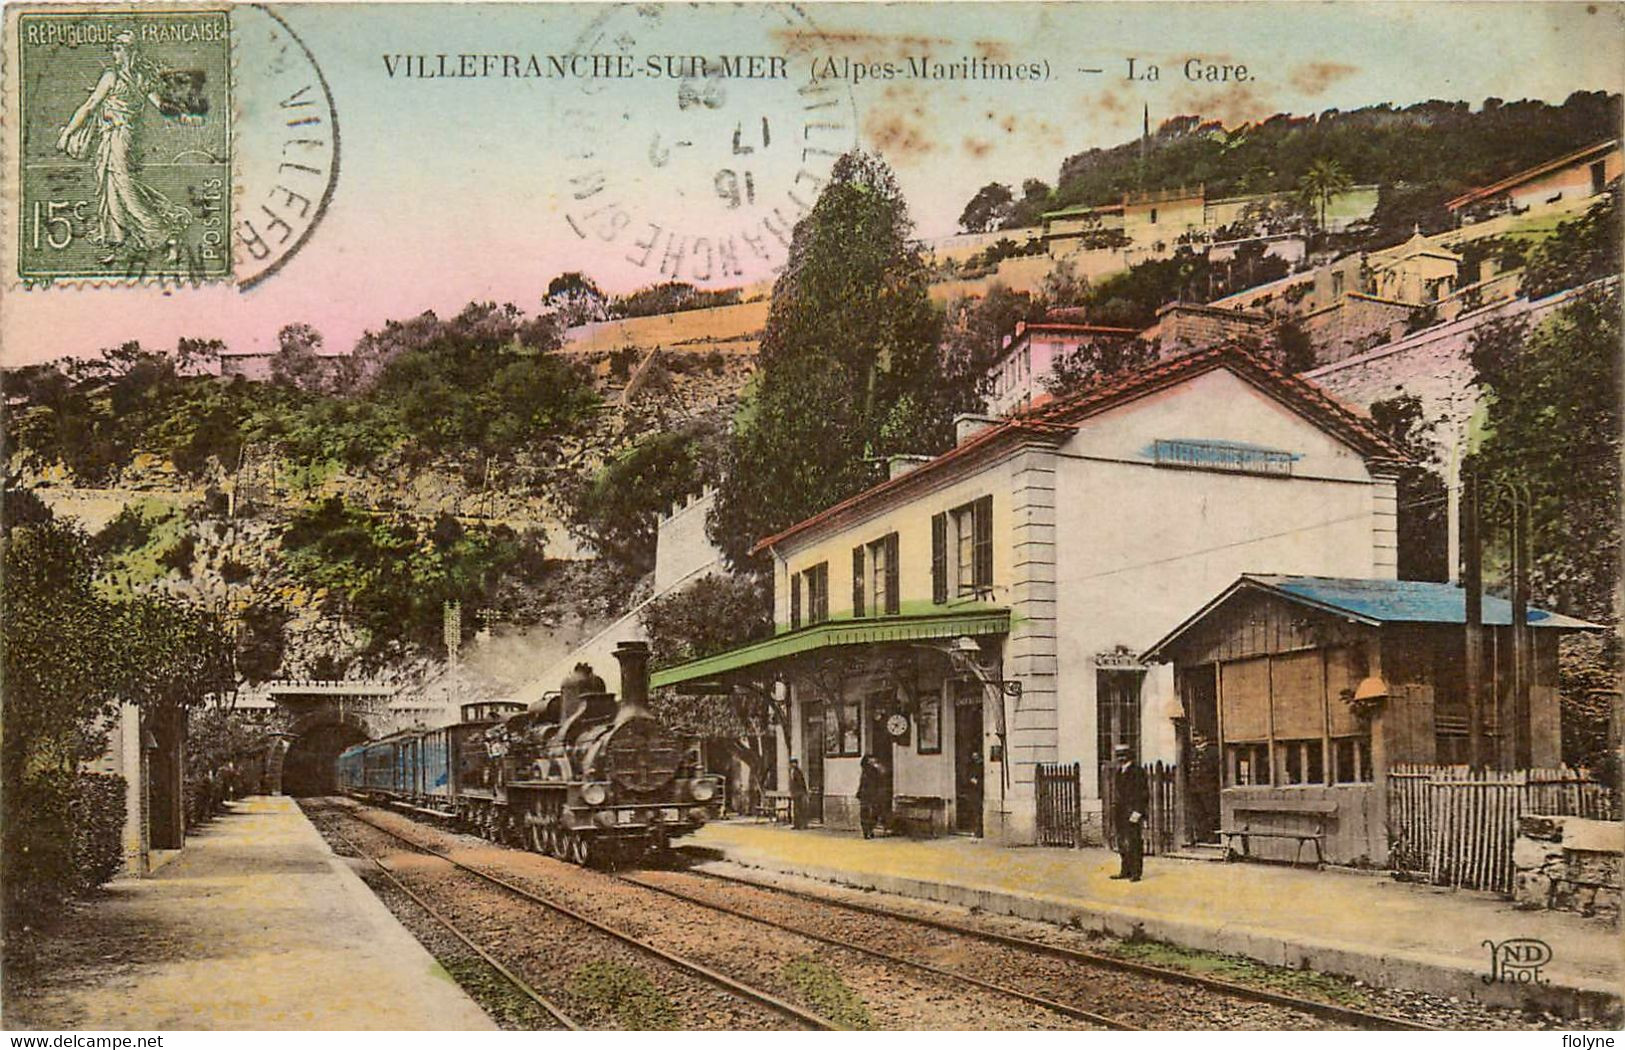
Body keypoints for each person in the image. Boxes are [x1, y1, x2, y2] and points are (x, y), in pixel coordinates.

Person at [55, 30, 199, 264]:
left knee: (123, 187)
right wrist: (182, 114)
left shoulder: (116, 77)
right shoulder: (134, 78)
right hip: (113, 138)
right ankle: (116, 242)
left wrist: (67, 135)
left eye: (118, 49)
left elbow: (91, 105)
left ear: (129, 51)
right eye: (113, 49)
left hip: (120, 138)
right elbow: (160, 106)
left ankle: (166, 236)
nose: (114, 54)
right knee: (112, 186)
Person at [1110, 744, 1149, 881]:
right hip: (1120, 811)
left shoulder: (1137, 771)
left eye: (1123, 755)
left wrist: (1138, 811)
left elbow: (1143, 794)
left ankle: (1136, 872)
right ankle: (1125, 870)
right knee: (1121, 841)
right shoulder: (1119, 771)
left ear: (1129, 755)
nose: (1120, 758)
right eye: (1118, 755)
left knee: (1134, 842)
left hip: (1133, 812)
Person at [857, 753, 886, 839]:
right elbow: (862, 783)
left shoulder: (875, 769)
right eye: (871, 759)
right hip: (866, 794)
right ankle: (867, 831)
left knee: (873, 813)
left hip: (873, 794)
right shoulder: (866, 770)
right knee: (866, 813)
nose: (873, 761)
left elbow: (883, 774)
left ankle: (870, 830)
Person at [788, 757, 809, 829]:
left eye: (793, 763)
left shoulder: (797, 772)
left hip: (799, 793)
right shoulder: (792, 771)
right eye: (791, 763)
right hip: (796, 793)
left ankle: (800, 825)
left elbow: (800, 783)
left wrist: (803, 792)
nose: (792, 765)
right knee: (796, 809)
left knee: (799, 809)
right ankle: (797, 825)